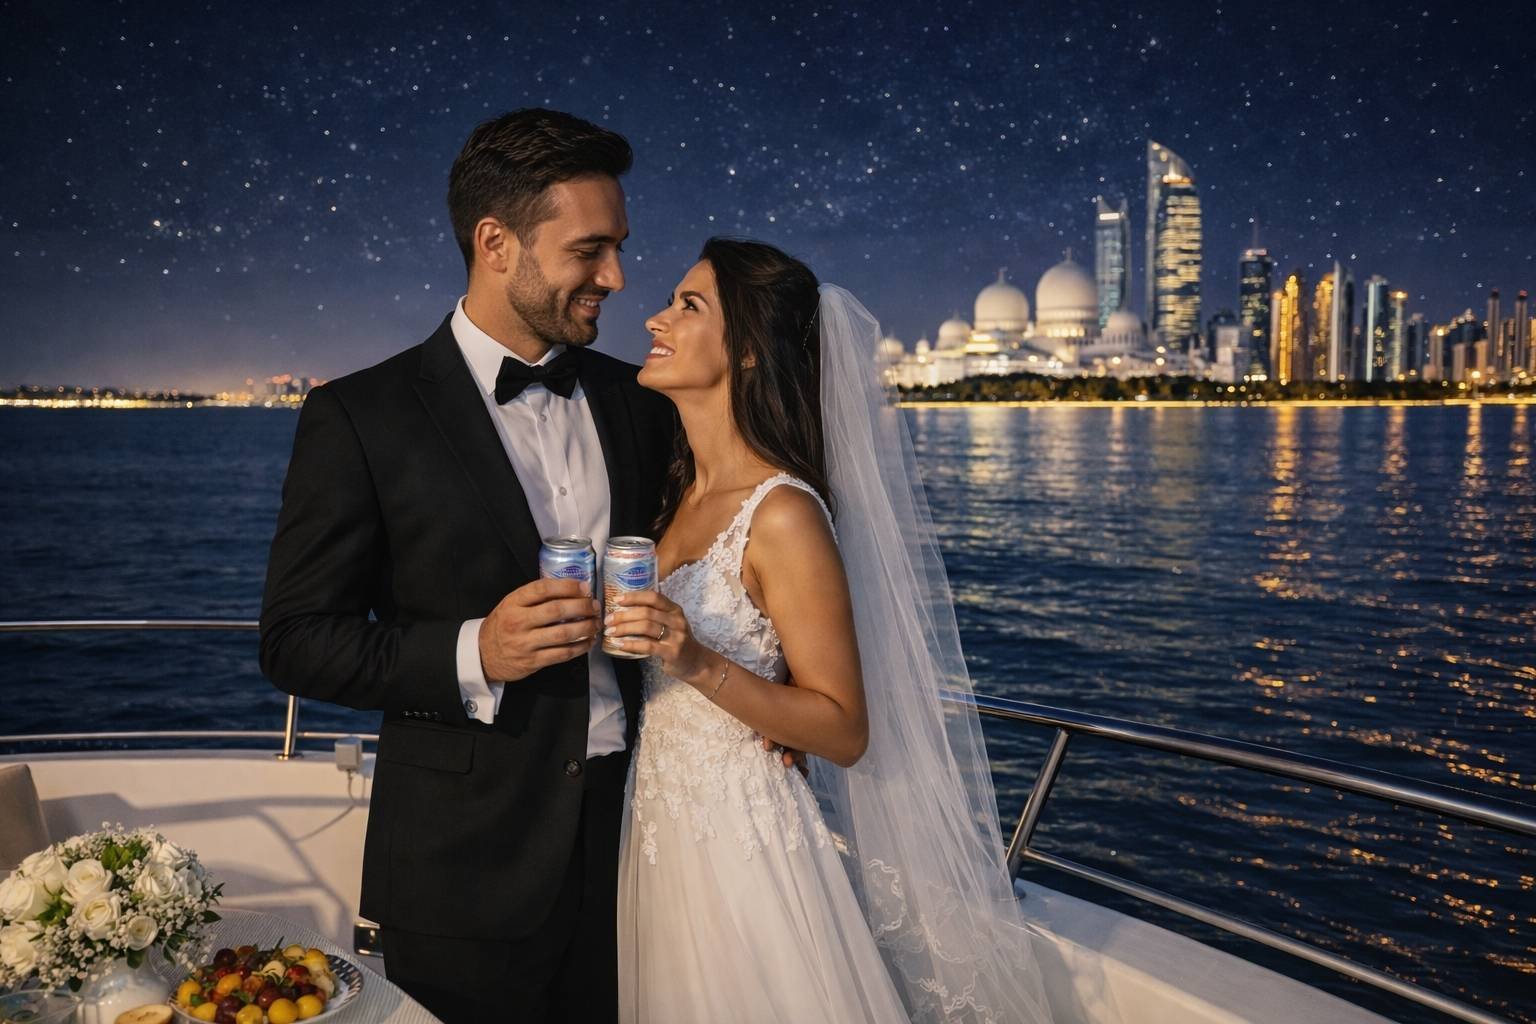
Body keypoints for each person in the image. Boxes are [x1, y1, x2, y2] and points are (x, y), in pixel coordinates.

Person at [258, 108, 674, 1023]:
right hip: (461, 871)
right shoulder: (361, 417)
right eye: (591, 250)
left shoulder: (641, 400)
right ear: (496, 242)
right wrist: (473, 651)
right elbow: (295, 642)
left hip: (645, 842)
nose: (617, 276)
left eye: (620, 247)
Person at [605, 239, 1055, 1022]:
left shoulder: (781, 513)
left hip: (743, 847)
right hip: (662, 832)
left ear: (747, 351)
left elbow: (844, 730)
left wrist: (695, 658)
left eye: (688, 305)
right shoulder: (675, 495)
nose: (655, 317)